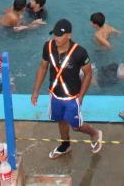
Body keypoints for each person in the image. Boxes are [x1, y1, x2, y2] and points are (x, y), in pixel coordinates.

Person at [30, 19, 103, 159]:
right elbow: (43, 68)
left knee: (76, 126)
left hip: (72, 96)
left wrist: (81, 96)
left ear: (69, 35)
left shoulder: (80, 52)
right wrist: (35, 91)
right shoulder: (48, 47)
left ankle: (95, 133)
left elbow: (88, 74)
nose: (56, 38)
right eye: (55, 35)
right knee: (60, 120)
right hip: (55, 95)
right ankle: (65, 145)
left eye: (60, 35)